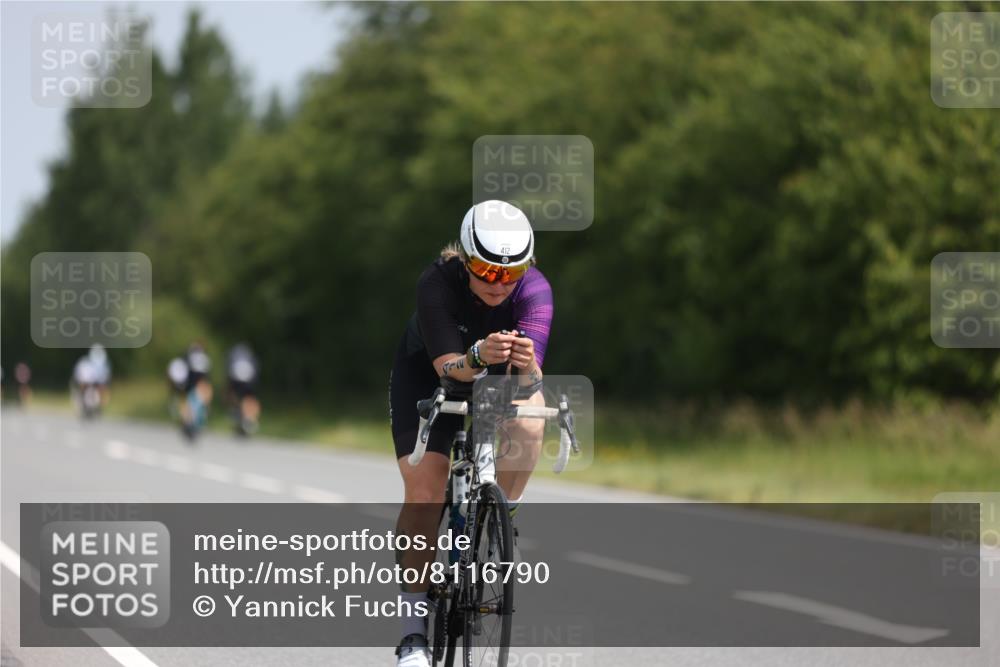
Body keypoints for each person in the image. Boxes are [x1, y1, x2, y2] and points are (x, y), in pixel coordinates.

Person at [388, 200, 553, 666]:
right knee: (425, 492)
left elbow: (531, 384)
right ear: (465, 260)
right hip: (431, 376)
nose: (499, 284)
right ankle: (412, 635)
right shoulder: (437, 282)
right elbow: (449, 368)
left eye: (511, 273)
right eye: (487, 271)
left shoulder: (535, 290)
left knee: (532, 419)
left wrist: (528, 365)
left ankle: (502, 515)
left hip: (497, 378)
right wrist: (478, 355)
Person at [225, 343, 260, 436]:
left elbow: (229, 372)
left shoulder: (233, 357)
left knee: (233, 395)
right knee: (250, 398)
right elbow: (256, 371)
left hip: (236, 381)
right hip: (249, 382)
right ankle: (250, 418)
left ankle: (237, 412)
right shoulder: (250, 358)